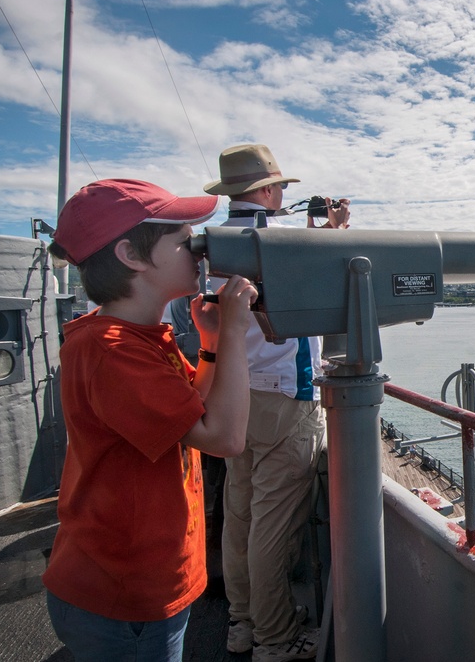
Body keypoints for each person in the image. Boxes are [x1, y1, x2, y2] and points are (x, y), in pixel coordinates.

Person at [41, 178, 258, 661]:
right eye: (184, 241)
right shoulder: (111, 349)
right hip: (124, 596)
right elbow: (224, 438)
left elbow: (193, 413)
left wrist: (210, 343)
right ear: (131, 256)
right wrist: (235, 331)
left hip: (144, 583)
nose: (200, 251)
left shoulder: (139, 337)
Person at [203, 143, 350, 661]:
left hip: (233, 395)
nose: (283, 195)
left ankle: (242, 623)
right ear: (266, 190)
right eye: (280, 187)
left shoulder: (215, 244)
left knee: (240, 514)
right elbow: (332, 280)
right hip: (286, 397)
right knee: (273, 526)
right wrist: (337, 234)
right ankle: (275, 637)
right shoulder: (284, 240)